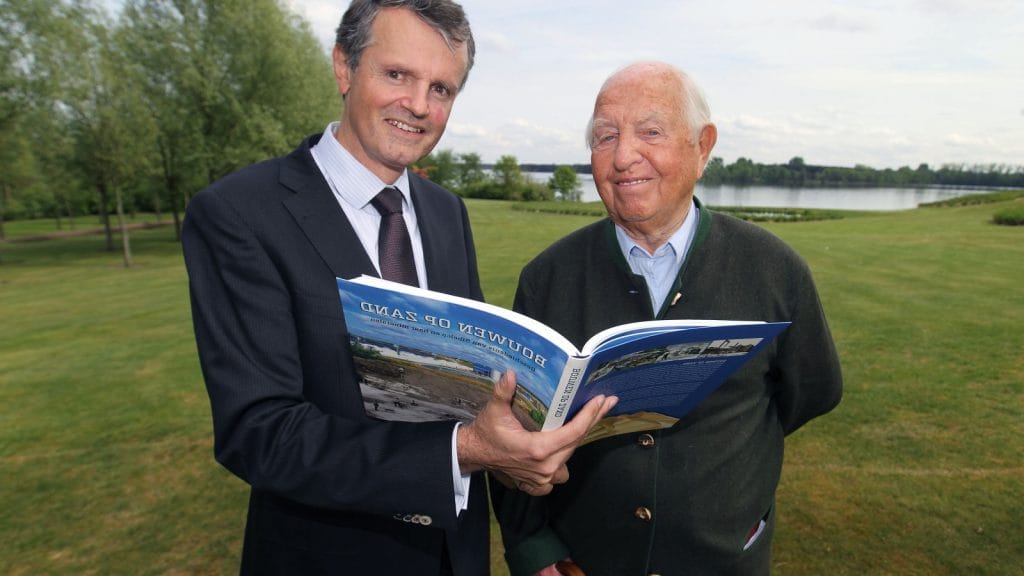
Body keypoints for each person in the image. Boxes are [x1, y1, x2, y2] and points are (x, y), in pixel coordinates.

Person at [181, 1, 615, 574]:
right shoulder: (240, 213)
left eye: (442, 88)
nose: (419, 105)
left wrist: (522, 447)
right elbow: (260, 433)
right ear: (344, 67)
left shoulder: (445, 213)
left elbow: (469, 388)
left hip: (454, 556)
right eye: (397, 75)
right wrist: (463, 452)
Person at [491, 61, 843, 576]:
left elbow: (811, 394)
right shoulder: (547, 278)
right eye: (605, 136)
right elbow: (513, 431)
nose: (624, 156)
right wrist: (534, 550)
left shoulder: (775, 270)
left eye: (650, 132)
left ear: (702, 147)